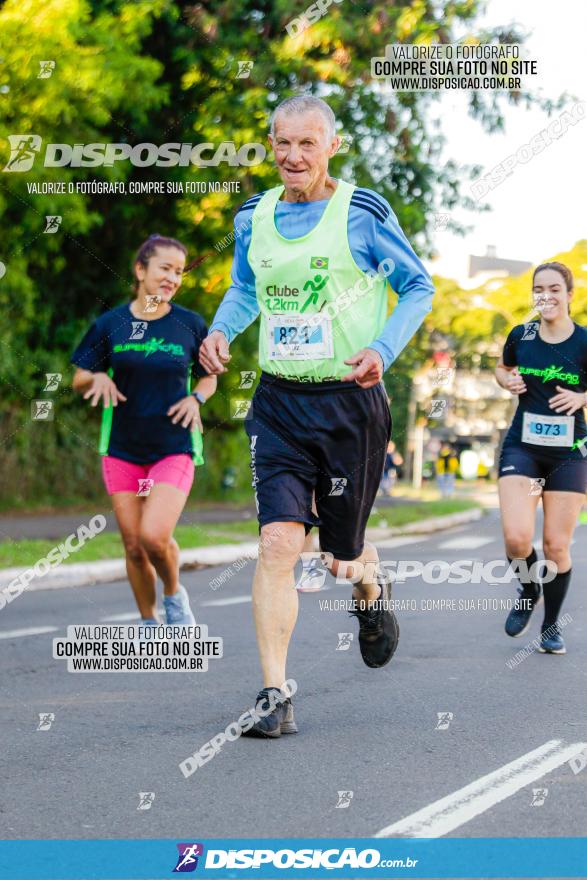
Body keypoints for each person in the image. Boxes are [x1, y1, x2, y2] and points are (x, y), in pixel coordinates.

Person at [200, 95, 434, 736]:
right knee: (278, 544)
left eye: (307, 144)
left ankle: (370, 588)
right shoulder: (255, 214)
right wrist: (223, 329)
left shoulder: (361, 212)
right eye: (282, 144)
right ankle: (274, 695)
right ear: (271, 146)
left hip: (349, 405)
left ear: (332, 146)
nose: (293, 156)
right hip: (278, 402)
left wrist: (383, 349)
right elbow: (245, 286)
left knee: (339, 557)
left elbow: (418, 286)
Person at [71, 234, 217, 627]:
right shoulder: (111, 324)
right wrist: (95, 380)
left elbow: (209, 378)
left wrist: (197, 399)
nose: (173, 278)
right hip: (122, 449)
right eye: (165, 268)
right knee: (134, 546)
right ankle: (149, 621)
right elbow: (80, 376)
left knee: (154, 536)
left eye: (179, 271)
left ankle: (173, 594)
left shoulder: (189, 324)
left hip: (174, 446)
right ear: (140, 270)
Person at [495, 262, 587, 655]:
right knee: (517, 538)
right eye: (539, 289)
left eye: (554, 288)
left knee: (556, 545)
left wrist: (584, 397)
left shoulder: (583, 341)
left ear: (569, 294)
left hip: (570, 453)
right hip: (523, 446)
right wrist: (507, 380)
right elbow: (502, 368)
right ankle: (529, 588)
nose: (545, 296)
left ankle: (550, 627)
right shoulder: (522, 335)